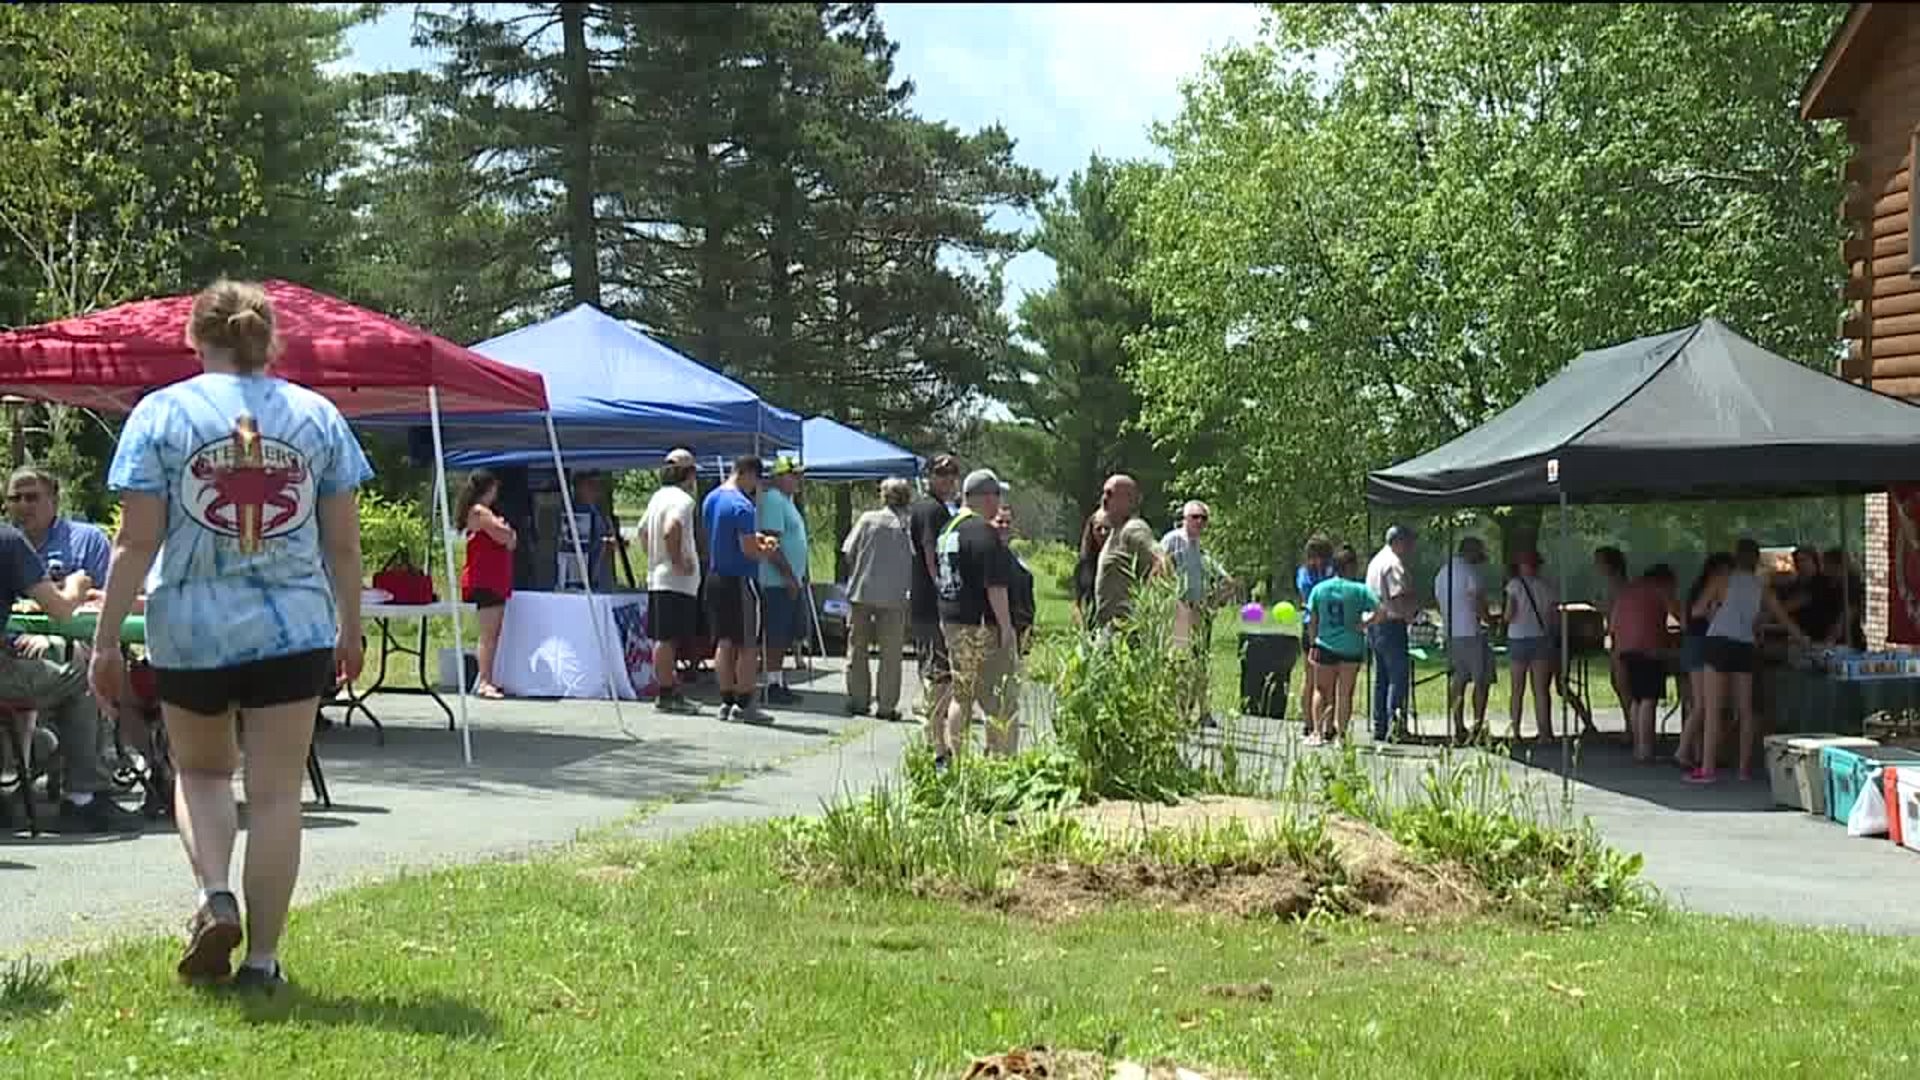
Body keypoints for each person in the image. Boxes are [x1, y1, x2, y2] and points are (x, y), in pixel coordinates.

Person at [89, 279, 372, 992]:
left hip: (191, 626)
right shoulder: (317, 417)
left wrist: (102, 643)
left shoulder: (161, 414)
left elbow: (134, 541)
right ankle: (263, 961)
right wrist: (351, 625)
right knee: (277, 794)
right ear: (269, 338)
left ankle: (215, 893)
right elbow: (342, 544)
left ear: (195, 338)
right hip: (293, 626)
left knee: (203, 773)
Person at [0, 525, 133, 834]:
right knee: (82, 674)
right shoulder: (9, 541)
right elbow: (60, 609)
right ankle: (83, 798)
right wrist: (77, 584)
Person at [1689, 538, 1806, 784]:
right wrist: (1804, 640)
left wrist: (1714, 609)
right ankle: (1743, 769)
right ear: (1756, 560)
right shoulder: (1761, 586)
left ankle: (1707, 769)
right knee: (1746, 710)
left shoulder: (1722, 579)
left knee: (1713, 709)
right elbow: (1783, 617)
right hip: (1745, 644)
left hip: (1718, 641)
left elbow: (1696, 611)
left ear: (1735, 557)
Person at [934, 469, 1018, 765]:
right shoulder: (983, 532)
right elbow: (995, 585)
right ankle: (1001, 761)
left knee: (962, 695)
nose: (999, 503)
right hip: (980, 625)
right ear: (986, 496)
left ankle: (957, 759)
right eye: (997, 495)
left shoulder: (948, 529)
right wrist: (1006, 627)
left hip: (952, 620)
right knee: (999, 698)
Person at [703, 456, 776, 724]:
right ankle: (745, 704)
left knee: (724, 640)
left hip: (715, 576)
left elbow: (723, 535)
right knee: (748, 644)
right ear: (747, 473)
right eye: (756, 479)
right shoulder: (743, 506)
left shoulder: (711, 499)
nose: (756, 486)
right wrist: (766, 550)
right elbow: (748, 551)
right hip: (741, 580)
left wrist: (754, 540)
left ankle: (726, 700)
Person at [840, 477, 914, 721]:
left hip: (862, 591)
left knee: (857, 648)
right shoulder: (908, 525)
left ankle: (858, 700)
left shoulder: (867, 519)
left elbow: (848, 552)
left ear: (883, 496)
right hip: (895, 595)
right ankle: (886, 706)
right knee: (891, 653)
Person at [638, 449, 702, 714]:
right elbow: (671, 528)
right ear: (689, 474)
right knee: (668, 638)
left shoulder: (657, 498)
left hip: (658, 576)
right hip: (674, 580)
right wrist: (676, 560)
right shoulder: (682, 500)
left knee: (664, 638)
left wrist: (653, 557)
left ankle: (668, 688)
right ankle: (666, 693)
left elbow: (643, 531)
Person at [1305, 546, 1377, 745]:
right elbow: (1381, 611)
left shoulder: (1320, 589)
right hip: (1351, 646)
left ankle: (1318, 733)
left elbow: (1312, 618)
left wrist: (1312, 642)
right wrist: (1364, 624)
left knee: (1321, 689)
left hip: (1325, 644)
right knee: (1345, 693)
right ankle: (1341, 736)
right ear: (1351, 566)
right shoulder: (1360, 590)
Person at [909, 455, 961, 724]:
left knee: (935, 663)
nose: (948, 479)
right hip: (930, 601)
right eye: (941, 473)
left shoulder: (937, 507)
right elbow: (932, 551)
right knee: (936, 665)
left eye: (953, 473)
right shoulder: (931, 510)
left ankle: (934, 712)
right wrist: (943, 589)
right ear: (929, 476)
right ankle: (933, 720)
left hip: (927, 599)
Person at [455, 470, 515, 699]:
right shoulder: (480, 512)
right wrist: (505, 529)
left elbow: (510, 539)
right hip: (485, 579)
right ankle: (484, 681)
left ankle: (487, 678)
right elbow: (504, 536)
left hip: (494, 578)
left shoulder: (485, 513)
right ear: (487, 489)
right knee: (488, 635)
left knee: (493, 633)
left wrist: (507, 533)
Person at [1611, 564, 1680, 763]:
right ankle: (1646, 748)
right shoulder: (1659, 590)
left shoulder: (1627, 592)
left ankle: (1638, 746)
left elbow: (1614, 624)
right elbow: (1678, 614)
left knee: (1636, 700)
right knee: (1649, 699)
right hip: (1650, 649)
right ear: (1665, 580)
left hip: (1625, 650)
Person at [757, 455, 810, 705]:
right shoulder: (774, 500)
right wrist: (788, 576)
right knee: (776, 635)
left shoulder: (788, 501)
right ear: (779, 477)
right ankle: (772, 683)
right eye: (793, 474)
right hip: (777, 582)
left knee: (787, 634)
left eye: (799, 474)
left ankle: (778, 680)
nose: (798, 479)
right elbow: (771, 543)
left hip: (790, 580)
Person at [7, 466, 111, 585]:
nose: (22, 505)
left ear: (55, 501)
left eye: (31, 498)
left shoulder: (89, 541)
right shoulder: (5, 544)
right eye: (15, 498)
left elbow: (105, 596)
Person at [1676, 553, 1733, 770]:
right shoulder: (1712, 590)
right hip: (1701, 644)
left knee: (1701, 705)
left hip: (1693, 643)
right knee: (1702, 705)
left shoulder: (1696, 588)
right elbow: (1700, 614)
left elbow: (1685, 619)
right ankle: (1682, 750)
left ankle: (1698, 752)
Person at [1434, 537, 1494, 741]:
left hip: (1451, 632)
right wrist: (1490, 621)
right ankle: (1477, 725)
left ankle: (1458, 724)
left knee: (1457, 681)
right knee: (1481, 680)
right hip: (1471, 632)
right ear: (1472, 552)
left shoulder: (1442, 573)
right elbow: (1478, 602)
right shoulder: (1470, 572)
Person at [984, 504, 1035, 742]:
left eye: (1007, 522)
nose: (1003, 527)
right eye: (998, 522)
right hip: (990, 631)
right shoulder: (986, 555)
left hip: (1015, 630)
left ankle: (1001, 748)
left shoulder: (1017, 561)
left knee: (1007, 694)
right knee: (994, 696)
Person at [1365, 524, 1418, 743]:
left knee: (1381, 678)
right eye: (1408, 542)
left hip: (1375, 624)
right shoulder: (1393, 563)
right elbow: (1398, 596)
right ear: (1399, 541)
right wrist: (1411, 614)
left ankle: (1380, 725)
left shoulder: (1376, 561)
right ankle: (1396, 727)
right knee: (1398, 676)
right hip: (1391, 624)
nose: (1411, 547)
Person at [1091, 473, 1163, 629]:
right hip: (1108, 628)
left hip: (1124, 630)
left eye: (1110, 494)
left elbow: (1162, 561)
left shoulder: (1134, 528)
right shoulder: (1116, 531)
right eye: (1103, 493)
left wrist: (1144, 606)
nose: (1104, 499)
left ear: (1129, 500)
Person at [1504, 550, 1560, 742]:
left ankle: (1516, 732)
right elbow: (1554, 617)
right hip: (1541, 639)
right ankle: (1545, 732)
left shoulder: (1514, 585)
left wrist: (1503, 621)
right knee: (1541, 690)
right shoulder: (1547, 587)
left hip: (1518, 638)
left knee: (1517, 689)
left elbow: (1509, 614)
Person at [1161, 500, 1223, 649]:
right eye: (1195, 517)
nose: (1199, 521)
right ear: (1185, 518)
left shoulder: (1203, 546)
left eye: (1204, 518)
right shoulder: (1173, 539)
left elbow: (1221, 576)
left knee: (1200, 654)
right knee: (1180, 654)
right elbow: (1158, 567)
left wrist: (1214, 600)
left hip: (1200, 609)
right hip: (1179, 608)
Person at [1296, 535, 1335, 739]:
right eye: (1315, 556)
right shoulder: (1304, 574)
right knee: (1310, 677)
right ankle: (1308, 722)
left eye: (1323, 557)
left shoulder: (1331, 571)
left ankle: (1328, 723)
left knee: (1328, 679)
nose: (1318, 561)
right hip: (1311, 626)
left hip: (1329, 628)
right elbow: (1306, 598)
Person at [562, 470, 617, 591]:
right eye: (589, 485)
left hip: (601, 570)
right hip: (586, 571)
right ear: (578, 488)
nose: (595, 490)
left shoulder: (596, 509)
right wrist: (604, 543)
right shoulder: (575, 511)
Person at [1072, 510, 1111, 624]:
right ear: (1092, 531)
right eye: (1098, 528)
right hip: (1091, 627)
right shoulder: (1084, 565)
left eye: (1107, 528)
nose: (1102, 533)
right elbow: (1077, 604)